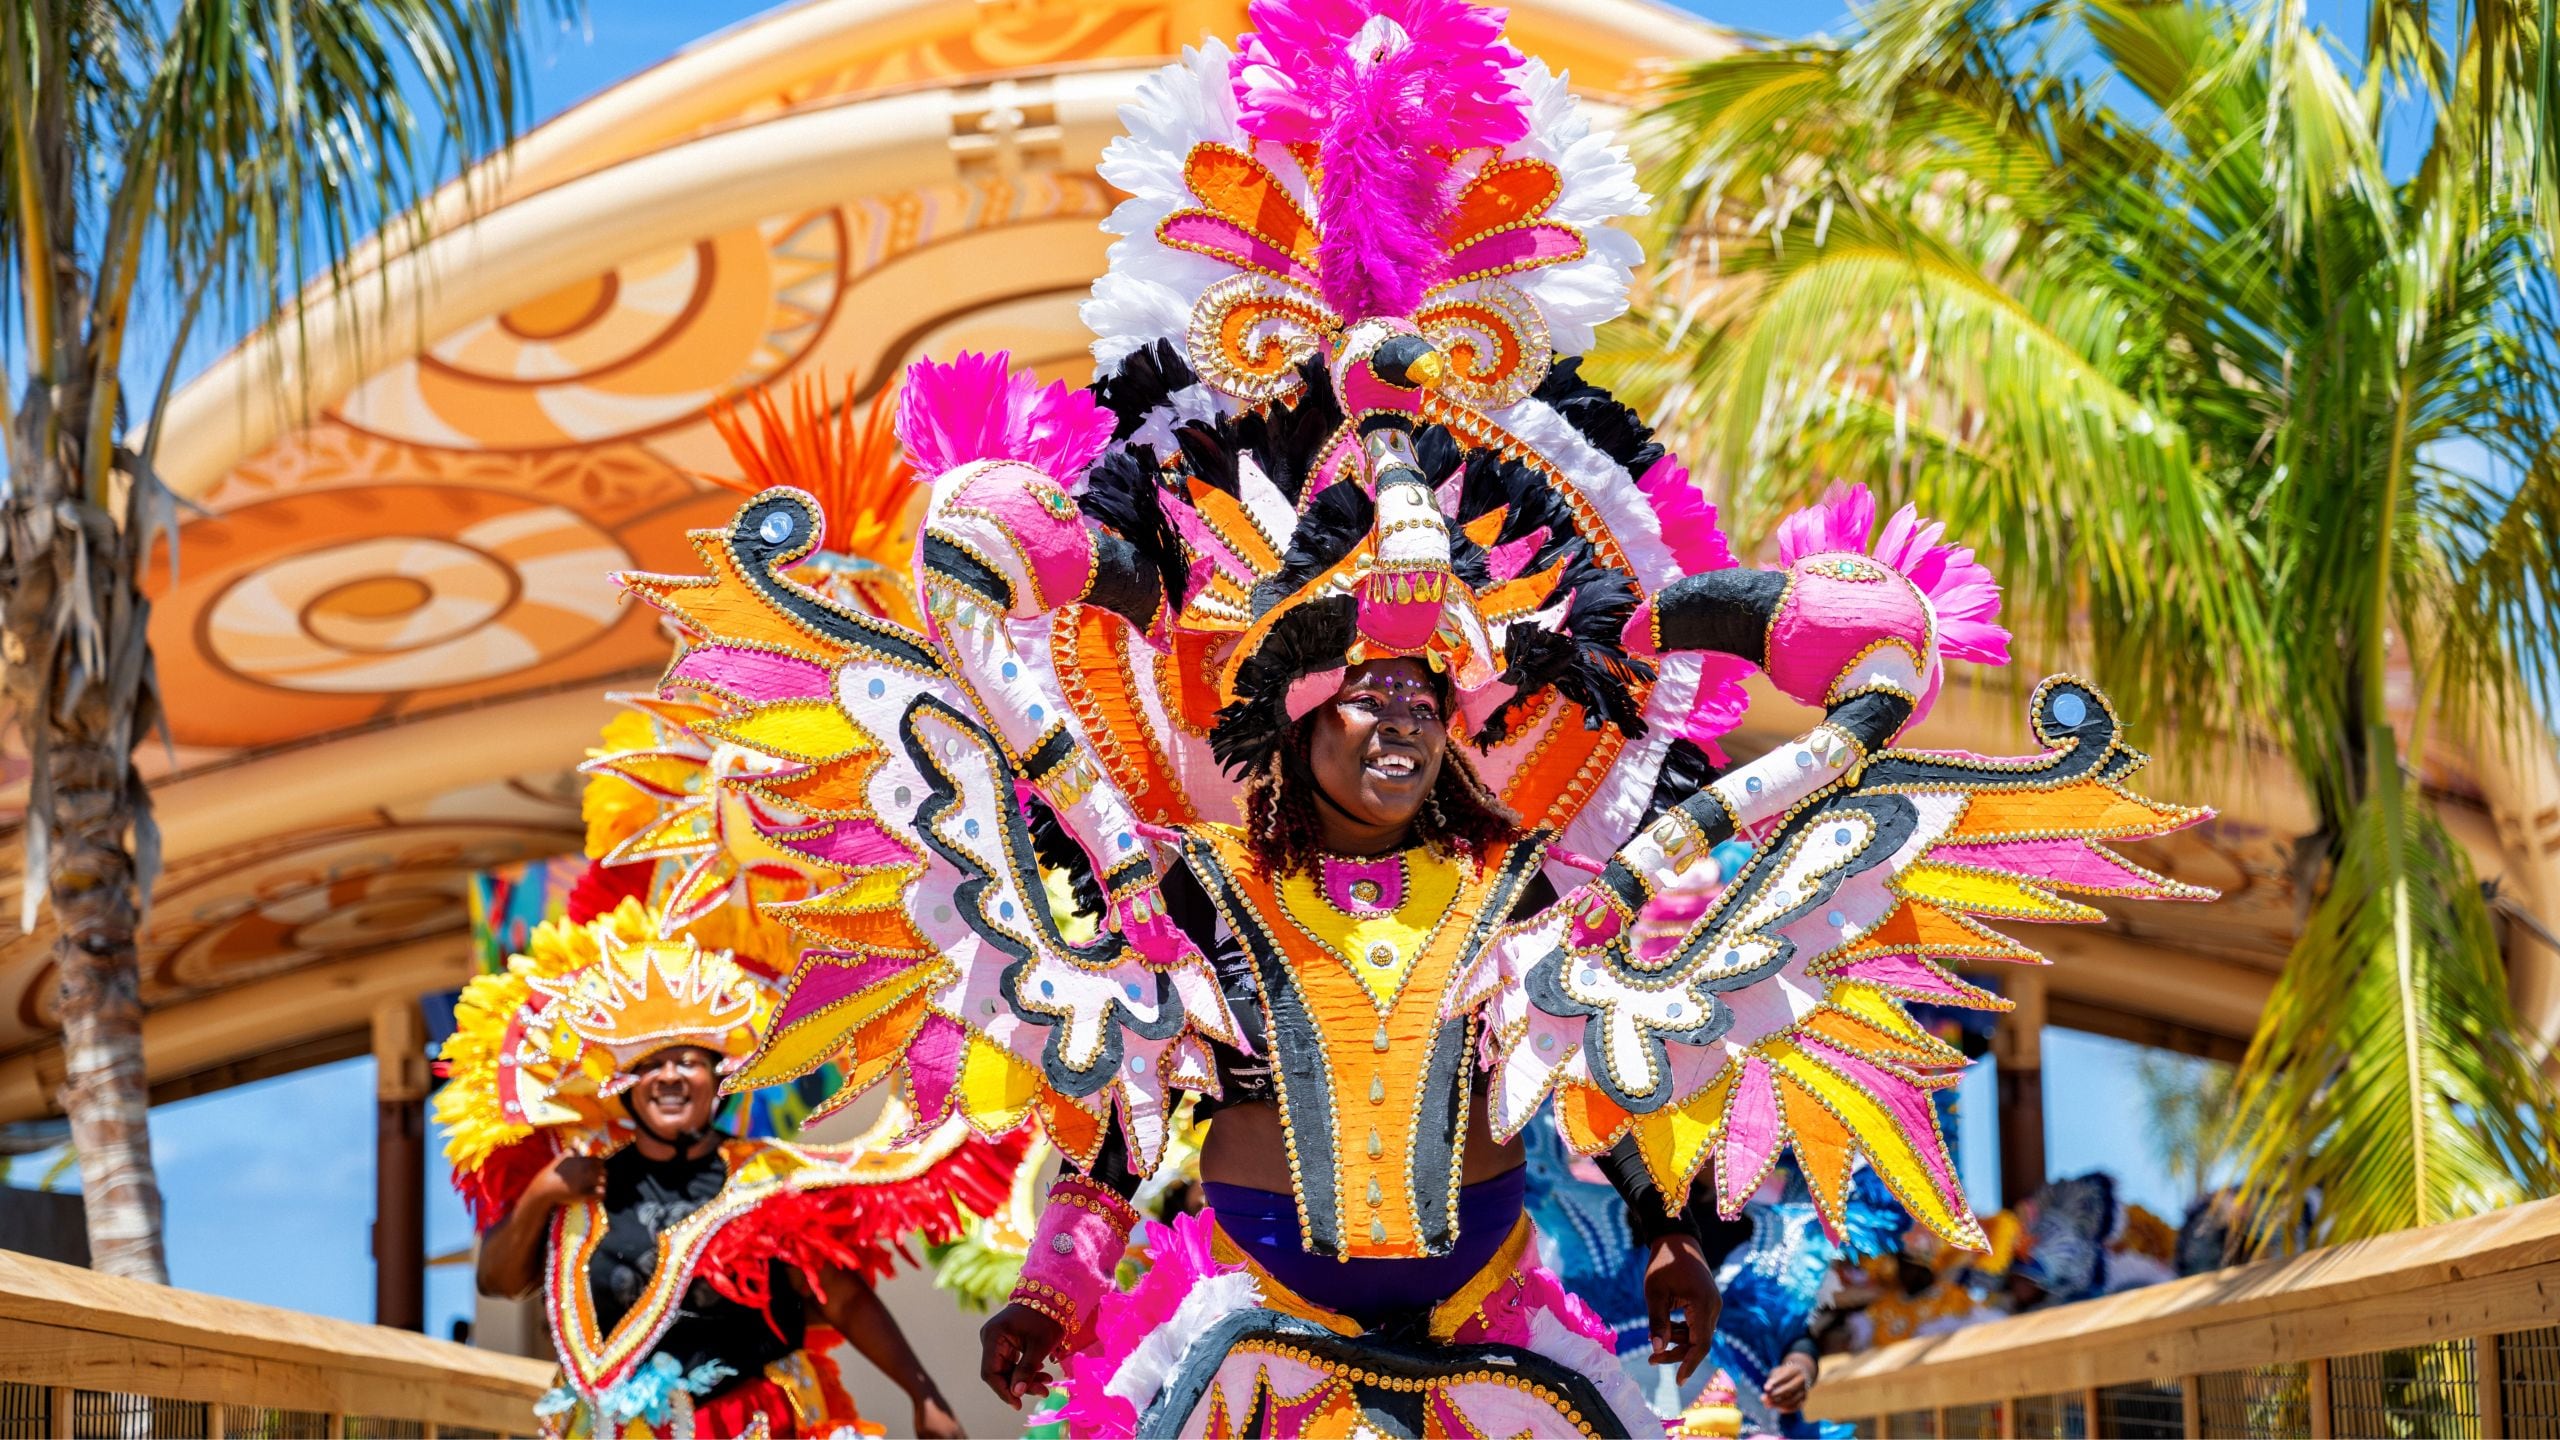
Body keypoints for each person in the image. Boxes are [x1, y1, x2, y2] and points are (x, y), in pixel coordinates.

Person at [606, 1, 2214, 1432]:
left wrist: (1678, 1244)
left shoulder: (1534, 891)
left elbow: (1636, 1086)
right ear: (1278, 724)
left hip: (1504, 1339)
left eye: (1424, 697)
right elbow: (1113, 1126)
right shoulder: (1190, 899)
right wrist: (1057, 1288)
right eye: (1362, 695)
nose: (1396, 723)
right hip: (1257, 1351)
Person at [438, 902, 1024, 1437]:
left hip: (753, 1424)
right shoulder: (583, 1185)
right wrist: (541, 1194)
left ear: (720, 1079)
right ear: (625, 1087)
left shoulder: (764, 1178)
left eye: (688, 1062)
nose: (668, 1077)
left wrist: (924, 1396)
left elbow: (842, 1298)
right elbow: (499, 1280)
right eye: (649, 1064)